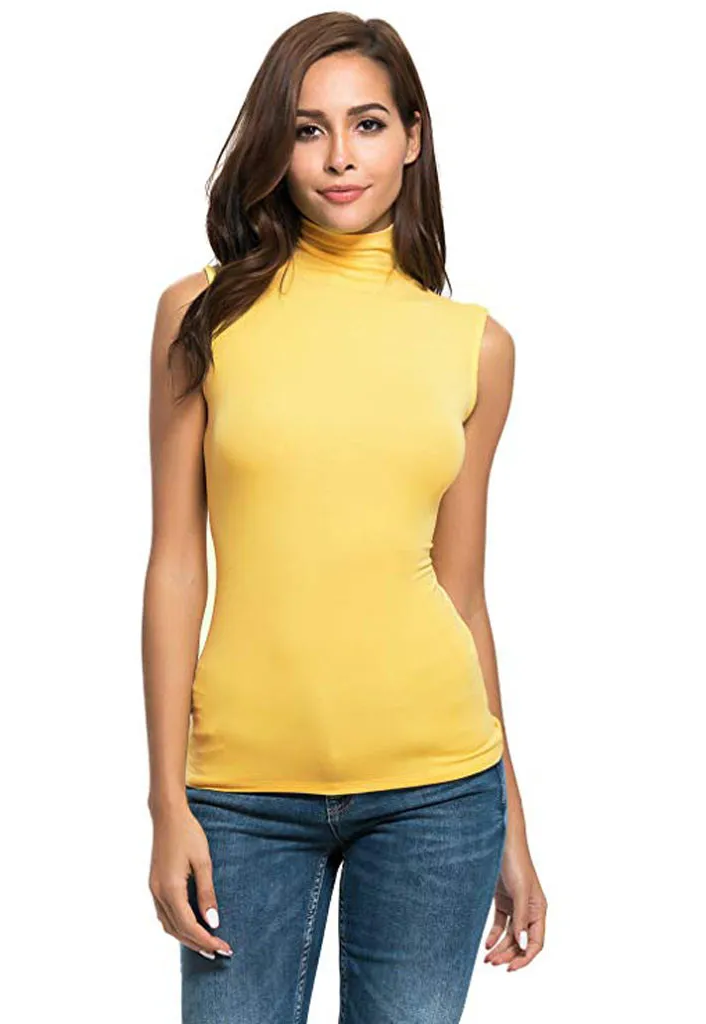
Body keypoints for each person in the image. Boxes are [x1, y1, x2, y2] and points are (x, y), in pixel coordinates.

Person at [142, 13, 546, 1022]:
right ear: (274, 144)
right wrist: (165, 800)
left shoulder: (476, 347)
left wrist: (513, 820)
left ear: (412, 137)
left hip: (437, 793)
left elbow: (461, 594)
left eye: (367, 124)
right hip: (241, 797)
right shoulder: (202, 315)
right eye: (306, 128)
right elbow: (175, 564)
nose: (338, 157)